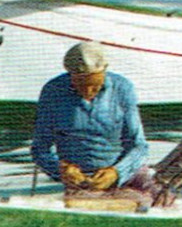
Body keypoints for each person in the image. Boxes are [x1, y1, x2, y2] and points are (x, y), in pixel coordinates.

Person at [31, 41, 150, 204]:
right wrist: (61, 169)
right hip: (83, 180)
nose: (87, 92)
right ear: (70, 75)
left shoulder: (123, 88)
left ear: (104, 72)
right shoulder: (53, 91)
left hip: (124, 170)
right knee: (90, 204)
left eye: (95, 86)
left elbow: (139, 145)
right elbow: (39, 148)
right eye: (80, 84)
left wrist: (116, 172)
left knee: (159, 194)